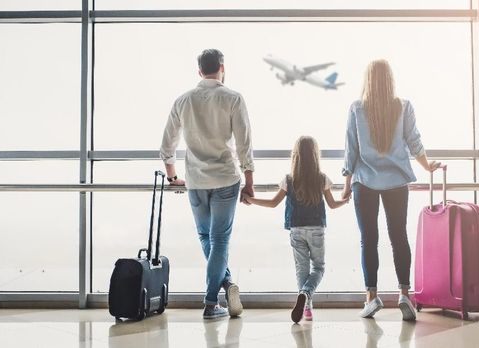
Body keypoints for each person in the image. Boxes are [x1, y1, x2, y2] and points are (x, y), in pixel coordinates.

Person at [160, 49, 255, 319]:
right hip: (226, 178)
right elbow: (244, 144)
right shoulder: (233, 98)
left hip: (196, 181)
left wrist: (172, 177)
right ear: (222, 68)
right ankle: (212, 301)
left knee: (206, 237)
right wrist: (249, 182)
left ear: (199, 71)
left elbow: (167, 146)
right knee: (220, 239)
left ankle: (223, 286)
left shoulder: (183, 100)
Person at [341, 59, 439, 321]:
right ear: (390, 80)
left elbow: (351, 151)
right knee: (398, 237)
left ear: (368, 80)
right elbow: (414, 141)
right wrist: (427, 166)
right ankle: (404, 294)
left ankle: (371, 298)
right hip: (396, 182)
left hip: (365, 182)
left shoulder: (357, 108)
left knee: (368, 239)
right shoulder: (403, 106)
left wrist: (346, 184)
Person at [244, 136, 348, 323]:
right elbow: (332, 205)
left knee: (302, 269)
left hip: (296, 229)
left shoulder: (289, 179)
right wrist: (346, 200)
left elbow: (273, 203)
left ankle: (306, 307)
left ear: (296, 156)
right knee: (319, 268)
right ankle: (306, 295)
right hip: (316, 229)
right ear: (315, 155)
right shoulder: (322, 178)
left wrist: (250, 200)